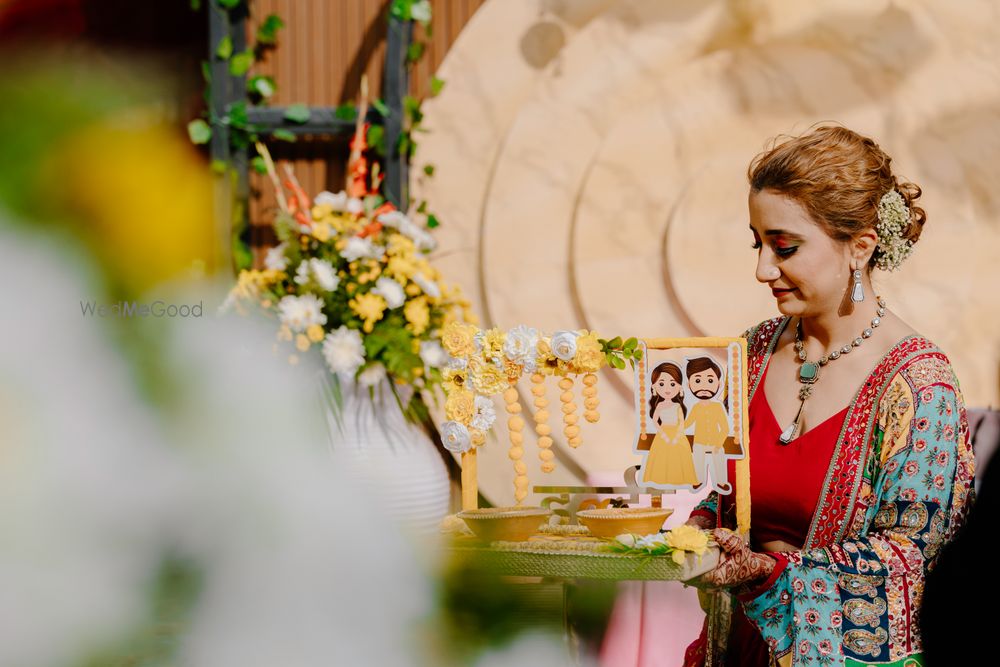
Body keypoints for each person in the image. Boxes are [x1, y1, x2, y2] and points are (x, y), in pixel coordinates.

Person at [680, 126, 975, 667]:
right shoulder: (749, 353)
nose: (763, 269)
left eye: (784, 247)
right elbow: (727, 496)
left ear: (859, 247)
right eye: (758, 243)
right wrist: (699, 531)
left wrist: (772, 576)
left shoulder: (917, 384)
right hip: (736, 650)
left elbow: (915, 561)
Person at [642, 362, 699, 487]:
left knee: (681, 453)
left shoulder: (677, 406)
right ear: (654, 387)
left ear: (679, 387)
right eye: (661, 384)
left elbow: (681, 422)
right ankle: (662, 479)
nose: (667, 389)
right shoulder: (660, 405)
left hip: (677, 434)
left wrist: (678, 435)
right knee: (662, 457)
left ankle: (680, 479)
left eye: (672, 384)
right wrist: (663, 435)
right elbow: (655, 421)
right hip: (663, 434)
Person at [684, 357, 731, 492]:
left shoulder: (717, 407)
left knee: (719, 457)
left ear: (719, 384)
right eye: (697, 381)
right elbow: (688, 423)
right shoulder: (695, 407)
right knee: (698, 457)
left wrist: (718, 443)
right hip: (699, 442)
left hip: (716, 442)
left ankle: (721, 481)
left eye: (710, 380)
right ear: (689, 385)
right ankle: (698, 480)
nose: (704, 386)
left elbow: (725, 427)